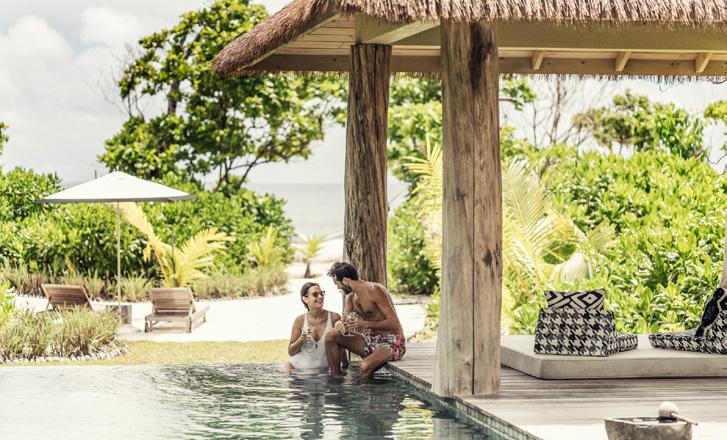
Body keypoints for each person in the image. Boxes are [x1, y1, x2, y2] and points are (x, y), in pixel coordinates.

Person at [324, 262, 406, 380]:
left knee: (364, 366)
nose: (338, 287)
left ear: (345, 280)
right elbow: (344, 320)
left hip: (391, 341)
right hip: (370, 339)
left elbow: (394, 323)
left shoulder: (375, 290)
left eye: (337, 283)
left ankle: (367, 391)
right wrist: (339, 323)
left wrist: (364, 324)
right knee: (331, 335)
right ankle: (336, 381)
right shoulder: (351, 298)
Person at [288, 282, 342, 371]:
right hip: (299, 370)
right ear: (305, 299)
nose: (320, 297)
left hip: (324, 372)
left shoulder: (334, 318)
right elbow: (291, 352)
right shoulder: (299, 320)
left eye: (322, 293)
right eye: (315, 294)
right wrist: (302, 339)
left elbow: (343, 348)